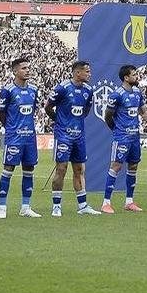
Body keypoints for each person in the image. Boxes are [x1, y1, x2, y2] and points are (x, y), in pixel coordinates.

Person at [45, 60, 100, 216]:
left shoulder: (89, 90)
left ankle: (83, 206)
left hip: (79, 135)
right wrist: (59, 121)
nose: (90, 74)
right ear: (77, 72)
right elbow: (48, 106)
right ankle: (56, 206)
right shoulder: (62, 88)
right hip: (63, 135)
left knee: (79, 169)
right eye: (87, 71)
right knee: (61, 169)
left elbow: (86, 109)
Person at [0, 56, 41, 219]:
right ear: (15, 71)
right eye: (24, 68)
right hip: (14, 137)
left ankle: (25, 206)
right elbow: (0, 112)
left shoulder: (34, 90)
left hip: (30, 137)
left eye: (28, 68)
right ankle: (2, 207)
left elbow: (33, 109)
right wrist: (10, 128)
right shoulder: (8, 90)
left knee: (29, 170)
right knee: (8, 169)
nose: (27, 70)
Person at [101, 64, 147, 214]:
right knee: (116, 166)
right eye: (134, 74)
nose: (136, 76)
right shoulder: (117, 95)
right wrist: (116, 130)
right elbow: (108, 116)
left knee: (133, 167)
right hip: (121, 136)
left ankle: (129, 201)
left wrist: (146, 115)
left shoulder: (137, 92)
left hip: (135, 136)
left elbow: (141, 109)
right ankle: (106, 203)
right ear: (126, 77)